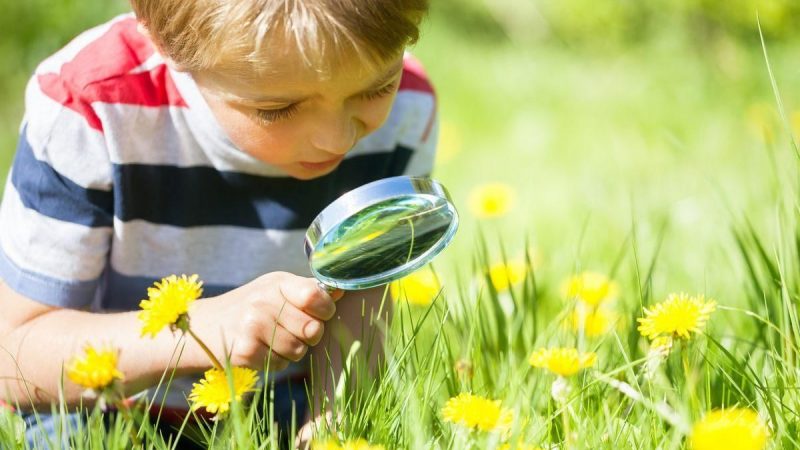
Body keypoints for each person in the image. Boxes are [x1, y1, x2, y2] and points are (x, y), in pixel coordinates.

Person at [0, 0, 436, 446]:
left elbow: (361, 299)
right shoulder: (92, 108)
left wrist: (332, 420)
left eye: (376, 89)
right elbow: (13, 358)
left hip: (279, 403)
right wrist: (200, 332)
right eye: (278, 108)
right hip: (99, 411)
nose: (337, 138)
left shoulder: (409, 108)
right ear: (166, 42)